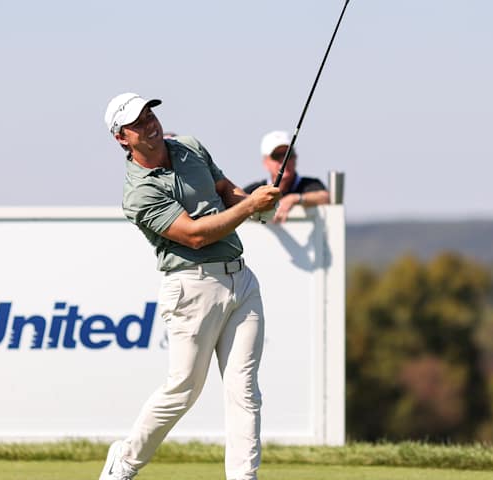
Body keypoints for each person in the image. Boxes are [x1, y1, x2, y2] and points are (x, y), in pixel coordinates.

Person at [99, 92, 281, 480]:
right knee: (184, 388)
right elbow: (195, 236)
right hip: (192, 288)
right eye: (138, 121)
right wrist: (249, 209)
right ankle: (126, 461)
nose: (150, 123)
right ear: (122, 138)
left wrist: (256, 202)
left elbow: (224, 190)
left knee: (244, 390)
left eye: (150, 114)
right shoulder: (139, 192)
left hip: (241, 280)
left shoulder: (190, 147)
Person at [243, 130, 329, 223]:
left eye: (288, 155)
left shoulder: (311, 184)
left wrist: (295, 199)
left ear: (295, 157)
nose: (284, 160)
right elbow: (236, 203)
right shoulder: (255, 189)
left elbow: (326, 197)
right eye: (276, 156)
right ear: (265, 162)